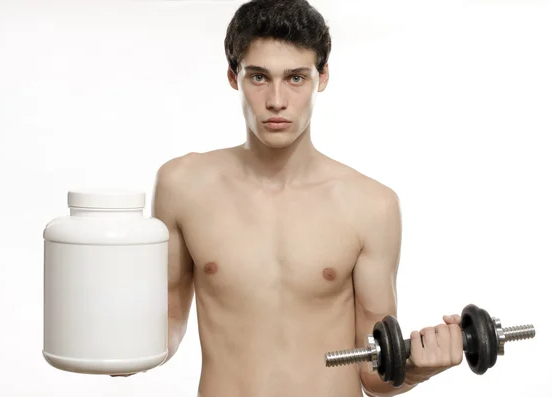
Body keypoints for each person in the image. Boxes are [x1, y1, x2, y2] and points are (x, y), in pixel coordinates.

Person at [151, 0, 464, 396]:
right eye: (259, 77)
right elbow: (168, 317)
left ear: (323, 76)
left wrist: (418, 367)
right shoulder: (182, 185)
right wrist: (119, 352)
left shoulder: (371, 205)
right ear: (234, 77)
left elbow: (373, 371)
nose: (277, 100)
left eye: (296, 78)